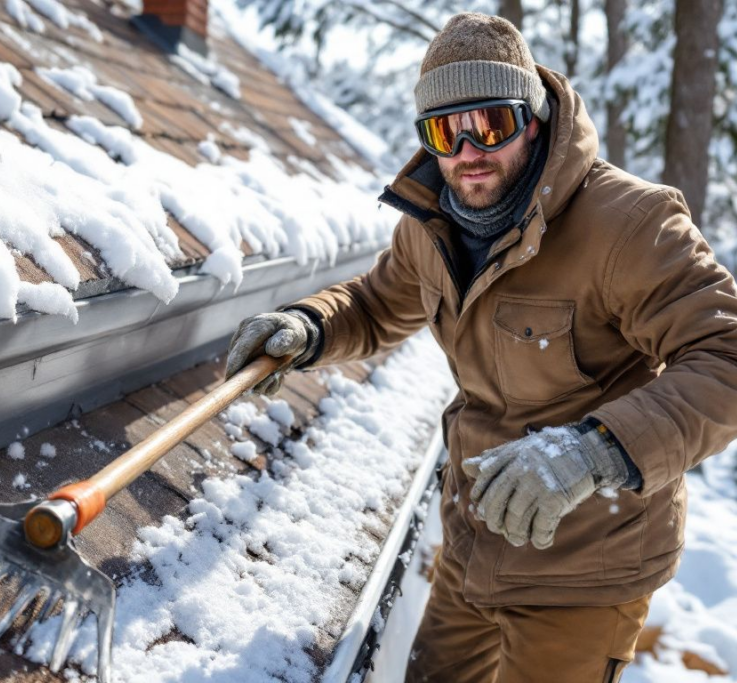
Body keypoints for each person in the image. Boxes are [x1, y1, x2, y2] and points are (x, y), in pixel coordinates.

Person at [225, 11, 737, 683]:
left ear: (532, 116)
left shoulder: (627, 225)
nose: (469, 150)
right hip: (473, 543)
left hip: (585, 564)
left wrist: (594, 450)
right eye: (446, 131)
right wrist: (311, 325)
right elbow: (378, 302)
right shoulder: (431, 224)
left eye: (490, 123)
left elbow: (725, 354)